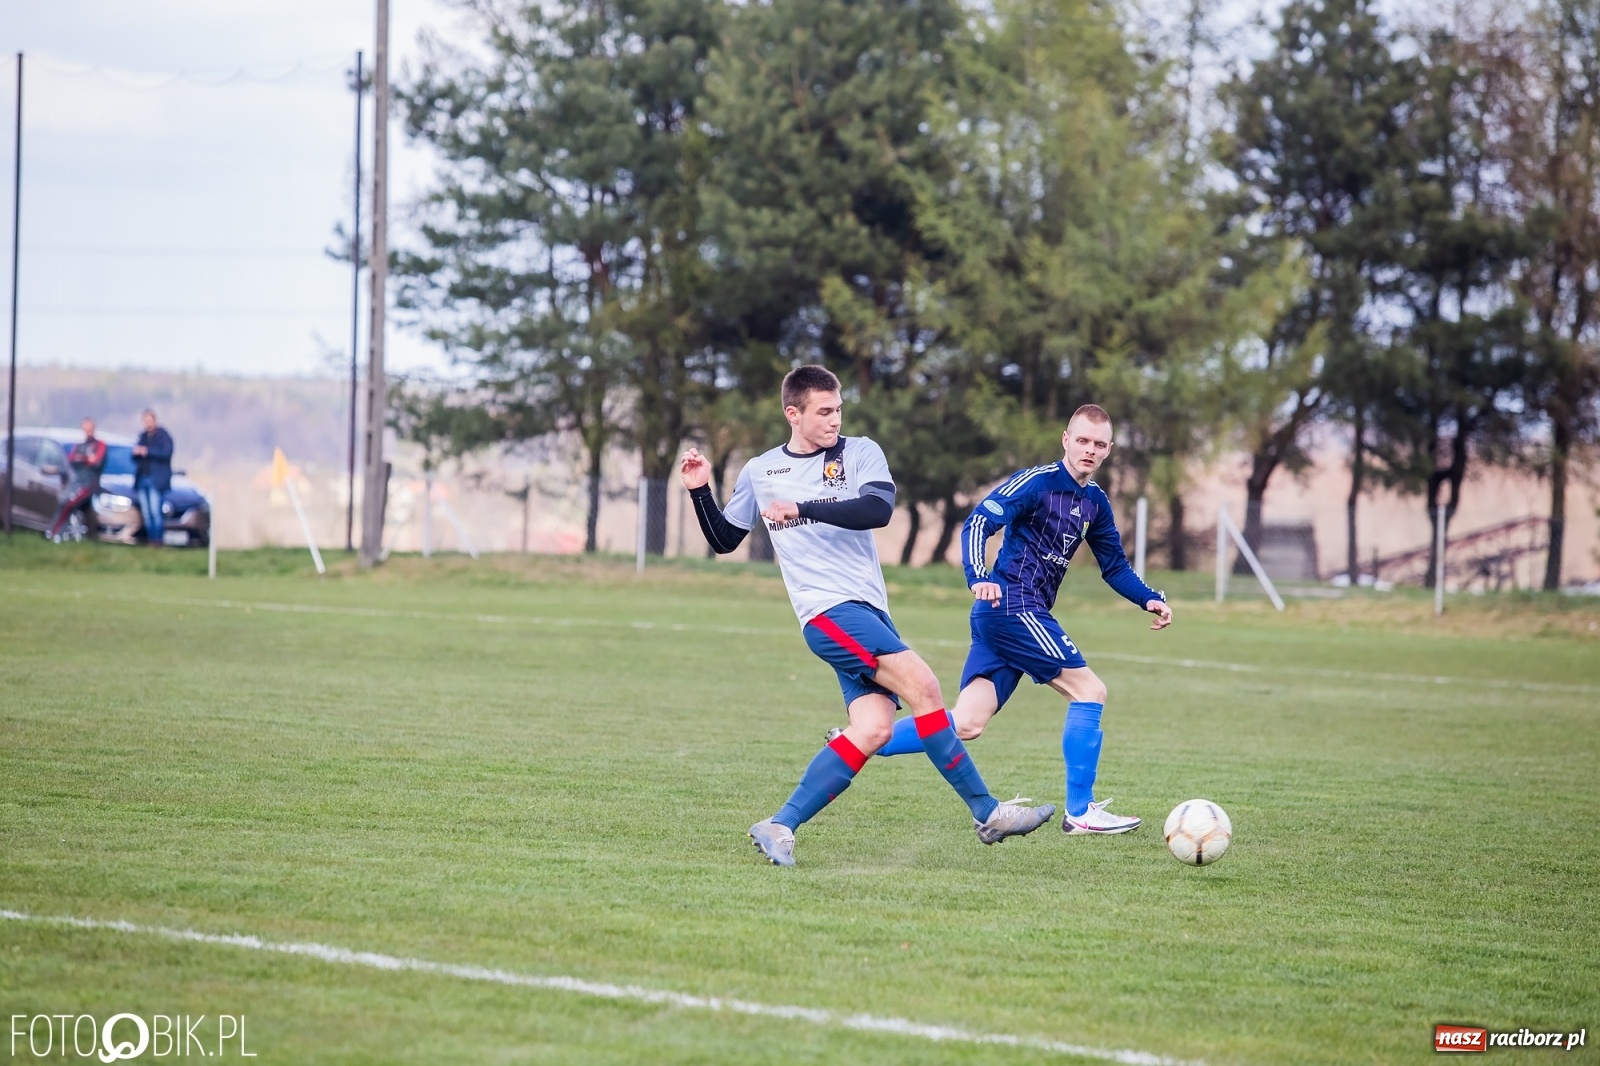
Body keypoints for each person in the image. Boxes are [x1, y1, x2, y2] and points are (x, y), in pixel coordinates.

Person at [680, 365, 1055, 866]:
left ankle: (779, 824)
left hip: (869, 610)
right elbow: (726, 539)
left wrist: (805, 508)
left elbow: (877, 509)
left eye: (838, 409)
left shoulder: (859, 452)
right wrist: (699, 490)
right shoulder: (760, 470)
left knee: (875, 728)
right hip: (826, 612)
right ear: (793, 414)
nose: (835, 420)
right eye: (823, 412)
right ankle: (987, 812)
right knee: (924, 687)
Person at [862, 403, 1172, 835]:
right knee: (1090, 690)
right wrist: (978, 577)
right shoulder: (1037, 483)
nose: (1089, 449)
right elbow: (977, 523)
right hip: (1012, 606)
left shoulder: (1095, 502)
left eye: (1099, 444)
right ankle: (1080, 813)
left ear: (1109, 450)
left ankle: (862, 738)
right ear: (1066, 440)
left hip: (1013, 614)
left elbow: (1114, 566)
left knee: (968, 722)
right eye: (1081, 440)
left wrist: (1149, 599)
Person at [45, 417, 108, 542]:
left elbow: (96, 462)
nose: (88, 431)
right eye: (85, 428)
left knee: (69, 503)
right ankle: (56, 532)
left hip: (90, 484)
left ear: (93, 428)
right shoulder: (80, 445)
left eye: (89, 428)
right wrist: (85, 459)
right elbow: (72, 460)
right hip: (76, 482)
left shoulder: (100, 445)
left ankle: (57, 533)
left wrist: (83, 459)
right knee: (65, 503)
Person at [132, 409, 174, 547]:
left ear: (155, 420)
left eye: (150, 420)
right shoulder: (142, 437)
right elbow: (134, 457)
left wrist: (147, 451)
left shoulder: (163, 436)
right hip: (142, 479)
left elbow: (166, 453)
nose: (147, 423)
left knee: (156, 511)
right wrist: (136, 453)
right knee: (146, 513)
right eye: (145, 421)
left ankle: (158, 541)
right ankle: (151, 540)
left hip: (156, 480)